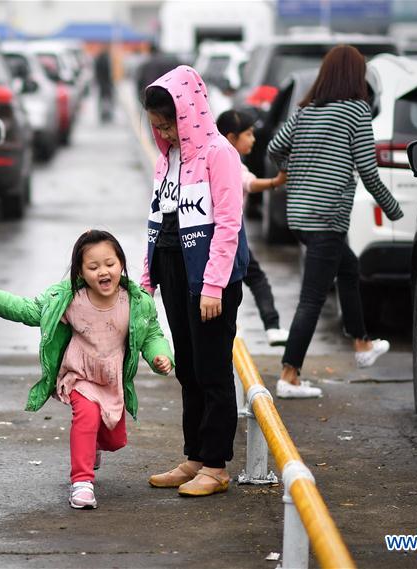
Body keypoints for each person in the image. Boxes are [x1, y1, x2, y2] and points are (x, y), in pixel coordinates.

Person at [0, 229, 174, 510]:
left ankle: (93, 446)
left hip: (111, 381)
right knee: (86, 417)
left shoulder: (135, 302)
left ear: (121, 264)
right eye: (93, 267)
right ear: (80, 271)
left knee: (115, 440)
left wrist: (160, 356)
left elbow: (151, 335)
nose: (103, 271)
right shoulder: (70, 300)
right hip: (79, 376)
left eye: (110, 264)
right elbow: (30, 310)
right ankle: (82, 482)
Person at [266, 45, 404, 399]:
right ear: (355, 77)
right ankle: (289, 376)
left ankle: (362, 344)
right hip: (327, 218)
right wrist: (395, 210)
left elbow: (275, 147)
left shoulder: (306, 110)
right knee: (312, 300)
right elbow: (368, 171)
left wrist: (291, 170)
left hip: (300, 217)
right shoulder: (356, 111)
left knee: (349, 267)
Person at [140, 65, 248, 497]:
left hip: (208, 279)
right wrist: (147, 278)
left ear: (188, 113)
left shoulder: (219, 153)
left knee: (212, 369)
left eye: (168, 124)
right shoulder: (167, 158)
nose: (164, 133)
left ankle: (216, 466)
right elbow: (156, 220)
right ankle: (195, 457)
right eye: (157, 127)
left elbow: (229, 224)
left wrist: (213, 285)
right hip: (172, 268)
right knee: (187, 367)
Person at [216, 108, 289, 347]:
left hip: (222, 236)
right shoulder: (229, 163)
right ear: (231, 137)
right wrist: (276, 182)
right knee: (254, 279)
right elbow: (250, 183)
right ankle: (272, 327)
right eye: (248, 134)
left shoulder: (218, 159)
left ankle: (263, 326)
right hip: (231, 237)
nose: (253, 139)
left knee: (240, 280)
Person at [94, 48, 114, 123]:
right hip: (106, 82)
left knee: (102, 98)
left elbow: (96, 72)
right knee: (107, 98)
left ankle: (103, 113)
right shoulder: (106, 60)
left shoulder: (98, 60)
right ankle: (107, 113)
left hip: (101, 82)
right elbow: (108, 73)